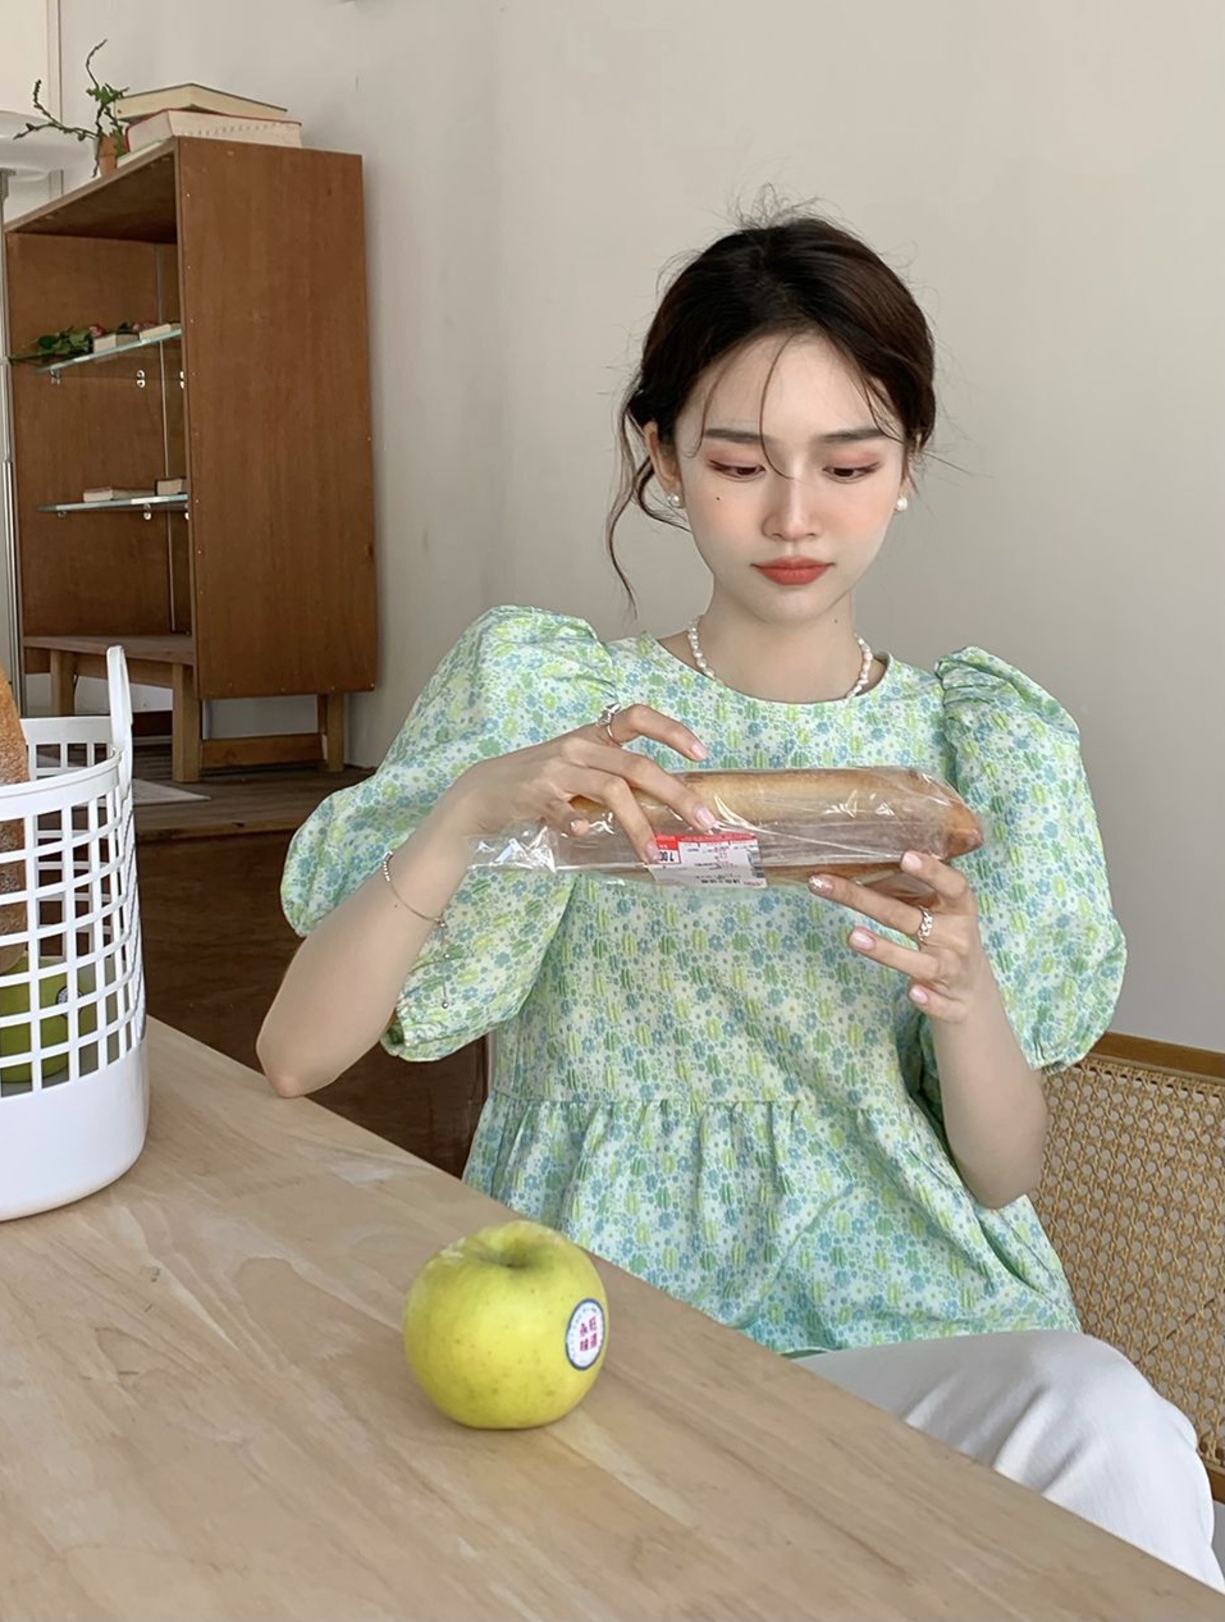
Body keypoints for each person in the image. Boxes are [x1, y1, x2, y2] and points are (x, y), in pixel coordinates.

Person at [259, 212, 1223, 1589]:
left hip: (914, 1328)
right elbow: (295, 1057)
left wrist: (966, 998)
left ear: (907, 467)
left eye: (849, 464)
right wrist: (473, 807)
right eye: (737, 463)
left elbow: (1004, 1175)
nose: (793, 518)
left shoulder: (978, 749)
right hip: (607, 1335)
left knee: (1108, 1424)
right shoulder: (551, 704)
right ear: (660, 456)